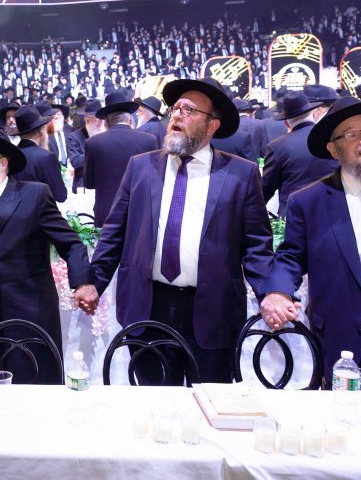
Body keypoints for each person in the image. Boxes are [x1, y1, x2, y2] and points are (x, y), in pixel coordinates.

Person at [90, 77, 273, 384]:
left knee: (210, 400)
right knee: (155, 402)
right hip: (149, 307)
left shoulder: (241, 174)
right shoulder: (140, 167)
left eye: (189, 110)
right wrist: (93, 283)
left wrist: (271, 293)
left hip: (213, 310)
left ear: (212, 125)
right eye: (175, 108)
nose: (177, 115)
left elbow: (257, 246)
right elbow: (114, 232)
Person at [261, 96, 361, 389]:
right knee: (351, 411)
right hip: (351, 328)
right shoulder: (311, 201)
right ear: (334, 149)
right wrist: (277, 292)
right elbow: (291, 256)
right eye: (352, 134)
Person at [0, 128, 98, 384]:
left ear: (3, 163)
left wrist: (83, 282)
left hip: (30, 313)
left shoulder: (34, 194)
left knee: (33, 385)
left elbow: (70, 243)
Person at [85, 92, 157, 227]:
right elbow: (154, 179)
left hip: (106, 213)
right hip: (140, 211)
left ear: (106, 121)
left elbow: (89, 183)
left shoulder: (93, 143)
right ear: (130, 119)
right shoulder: (149, 141)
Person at [262, 91, 338, 217]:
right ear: (313, 114)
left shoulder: (277, 146)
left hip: (294, 215)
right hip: (333, 211)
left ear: (286, 123)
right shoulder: (331, 139)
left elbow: (266, 188)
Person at [13, 105, 68, 203]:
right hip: (40, 210)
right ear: (42, 131)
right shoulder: (47, 157)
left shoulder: (11, 154)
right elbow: (60, 195)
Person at [67, 99, 105, 192]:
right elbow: (75, 161)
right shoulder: (75, 136)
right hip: (84, 185)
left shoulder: (106, 133)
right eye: (97, 119)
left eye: (102, 119)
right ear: (87, 120)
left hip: (105, 183)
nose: (100, 123)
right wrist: (96, 153)